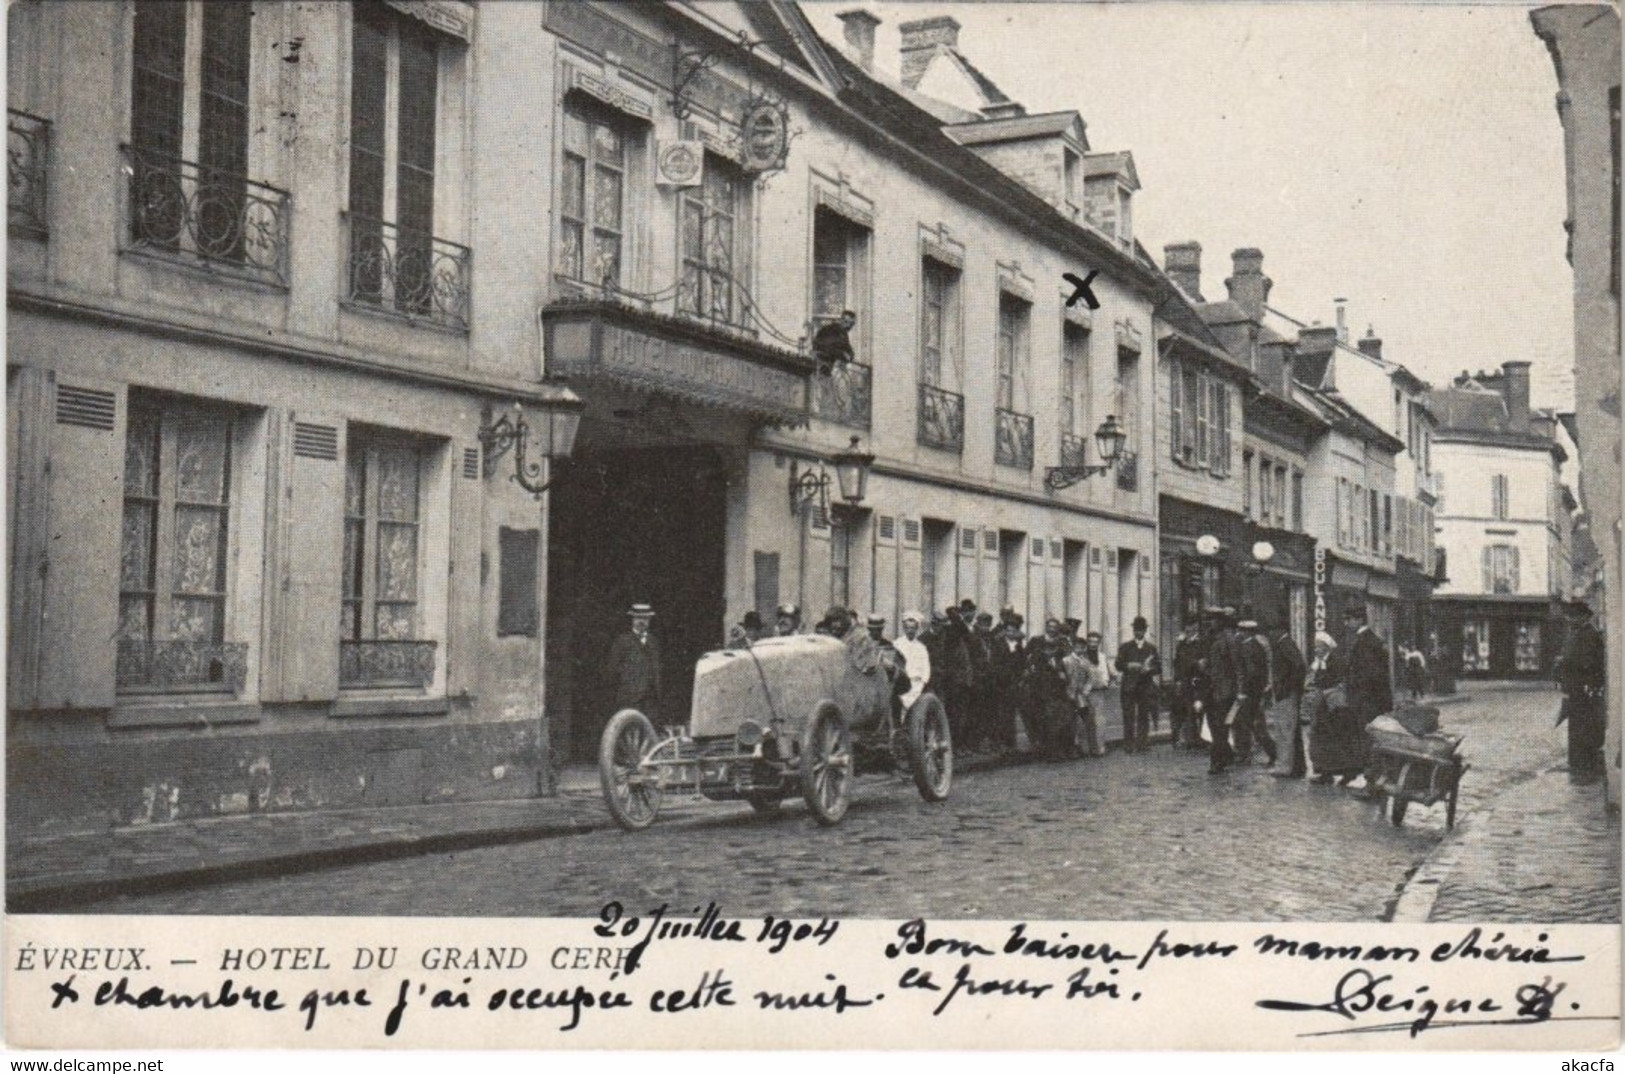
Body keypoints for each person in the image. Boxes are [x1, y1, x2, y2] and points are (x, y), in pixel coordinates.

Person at [1555, 599, 1607, 783]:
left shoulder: (1590, 634)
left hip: (1584, 688)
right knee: (1575, 724)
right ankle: (1577, 760)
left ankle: (1583, 761)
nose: (1570, 619)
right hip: (1575, 687)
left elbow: (1589, 662)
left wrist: (1566, 662)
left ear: (1583, 616)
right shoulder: (1576, 633)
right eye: (1570, 616)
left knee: (1584, 725)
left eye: (1573, 616)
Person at [1305, 631, 1363, 784]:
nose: (1316, 650)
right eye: (1315, 647)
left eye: (1319, 647)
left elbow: (1341, 682)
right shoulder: (1318, 663)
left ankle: (1346, 772)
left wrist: (1328, 691)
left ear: (1326, 647)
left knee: (1337, 738)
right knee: (1321, 738)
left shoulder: (1335, 662)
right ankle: (1325, 772)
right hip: (1321, 707)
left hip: (1333, 708)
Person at [1233, 616, 1279, 767]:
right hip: (1255, 693)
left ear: (1246, 632)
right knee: (1252, 725)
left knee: (1253, 725)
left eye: (1241, 631)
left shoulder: (1248, 648)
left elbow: (1251, 673)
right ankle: (1264, 753)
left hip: (1250, 694)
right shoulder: (1256, 646)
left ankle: (1270, 754)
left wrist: (1244, 691)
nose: (1239, 634)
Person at [607, 602, 663, 722]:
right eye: (638, 618)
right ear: (632, 619)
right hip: (630, 699)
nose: (641, 621)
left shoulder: (654, 642)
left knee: (650, 731)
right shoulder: (622, 641)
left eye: (645, 618)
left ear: (649, 620)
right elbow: (613, 670)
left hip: (650, 699)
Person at [1268, 619, 1309, 779]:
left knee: (1285, 730)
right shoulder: (1285, 643)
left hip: (1286, 694)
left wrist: (1288, 687)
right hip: (1286, 692)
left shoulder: (1284, 644)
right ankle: (1297, 766)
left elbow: (1299, 666)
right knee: (1290, 730)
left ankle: (1284, 766)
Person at [1204, 608, 1242, 774]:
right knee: (1216, 726)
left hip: (1225, 690)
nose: (1210, 623)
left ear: (1220, 621)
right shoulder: (1211, 638)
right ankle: (1225, 756)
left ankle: (1217, 762)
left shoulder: (1228, 640)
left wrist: (1239, 690)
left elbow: (1236, 666)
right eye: (1209, 620)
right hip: (1212, 689)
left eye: (1213, 620)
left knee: (1220, 727)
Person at [1115, 616, 1161, 753]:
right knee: (1128, 715)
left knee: (1143, 715)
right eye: (1136, 630)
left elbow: (1159, 668)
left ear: (1145, 631)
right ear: (1133, 630)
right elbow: (1118, 664)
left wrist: (1149, 670)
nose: (1138, 633)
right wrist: (1128, 665)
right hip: (1129, 687)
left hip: (1145, 686)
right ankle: (1128, 744)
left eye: (1141, 630)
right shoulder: (1125, 647)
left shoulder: (1151, 648)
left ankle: (1142, 744)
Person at [989, 618, 1028, 753]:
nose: (1010, 633)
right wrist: (1004, 676)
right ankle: (1001, 744)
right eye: (1008, 630)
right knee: (1002, 715)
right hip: (1001, 685)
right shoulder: (998, 645)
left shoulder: (1018, 646)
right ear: (1005, 631)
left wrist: (1020, 676)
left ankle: (1011, 744)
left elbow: (1023, 663)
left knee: (1010, 715)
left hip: (1014, 685)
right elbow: (995, 664)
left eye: (1013, 630)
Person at [1170, 619, 1207, 749]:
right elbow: (1177, 663)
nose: (1187, 632)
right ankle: (1190, 739)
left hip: (1197, 681)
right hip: (1184, 681)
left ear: (1196, 628)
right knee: (1186, 710)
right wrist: (1177, 680)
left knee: (1199, 709)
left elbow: (1202, 663)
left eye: (1190, 629)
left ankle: (1202, 739)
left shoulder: (1202, 643)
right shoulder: (1182, 644)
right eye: (1186, 630)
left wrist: (1194, 665)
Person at [894, 611, 931, 711]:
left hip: (917, 685)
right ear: (904, 628)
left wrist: (923, 681)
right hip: (902, 684)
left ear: (917, 629)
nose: (910, 631)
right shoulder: (897, 644)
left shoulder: (921, 647)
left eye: (913, 628)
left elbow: (926, 667)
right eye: (907, 628)